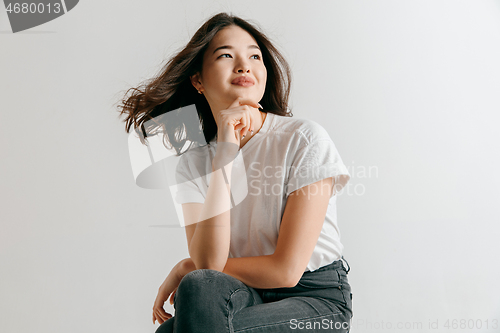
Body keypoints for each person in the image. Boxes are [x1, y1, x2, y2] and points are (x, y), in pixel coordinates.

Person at [118, 12, 353, 333]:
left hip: (315, 300)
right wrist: (225, 152)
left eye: (254, 56)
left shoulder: (304, 138)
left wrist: (188, 265)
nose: (244, 65)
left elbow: (286, 271)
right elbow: (208, 266)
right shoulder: (192, 164)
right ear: (197, 80)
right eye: (226, 55)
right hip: (241, 293)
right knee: (199, 285)